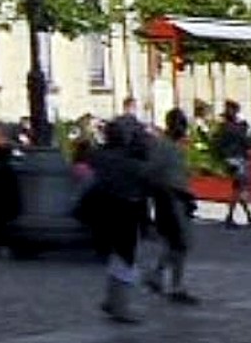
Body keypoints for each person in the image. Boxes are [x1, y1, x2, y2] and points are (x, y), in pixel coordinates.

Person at [81, 117, 151, 324]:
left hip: (103, 209)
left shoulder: (100, 155)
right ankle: (120, 307)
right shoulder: (130, 162)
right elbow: (146, 177)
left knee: (117, 256)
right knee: (125, 258)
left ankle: (112, 300)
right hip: (125, 209)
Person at [142, 109, 199, 304]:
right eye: (181, 124)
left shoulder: (173, 146)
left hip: (179, 198)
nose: (182, 128)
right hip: (169, 198)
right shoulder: (163, 146)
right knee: (179, 243)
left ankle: (160, 278)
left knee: (177, 244)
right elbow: (152, 172)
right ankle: (172, 284)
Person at [216, 101, 251, 227]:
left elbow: (219, 145)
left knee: (238, 188)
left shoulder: (225, 127)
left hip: (235, 159)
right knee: (240, 188)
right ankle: (232, 217)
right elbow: (245, 142)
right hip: (237, 159)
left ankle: (247, 217)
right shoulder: (234, 127)